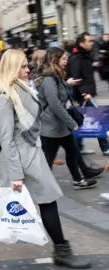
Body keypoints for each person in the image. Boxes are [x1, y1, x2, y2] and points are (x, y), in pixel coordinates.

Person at [0, 49, 91, 269]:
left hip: (31, 153)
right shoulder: (4, 96)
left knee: (7, 202)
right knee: (46, 200)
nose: (28, 69)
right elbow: (7, 140)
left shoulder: (22, 87)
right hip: (20, 158)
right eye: (23, 66)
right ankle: (62, 250)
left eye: (27, 65)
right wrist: (15, 174)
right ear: (13, 68)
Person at [36, 47, 98, 190]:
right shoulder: (49, 80)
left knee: (72, 151)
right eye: (63, 59)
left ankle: (78, 180)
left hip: (61, 126)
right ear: (54, 60)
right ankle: (42, 186)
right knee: (48, 159)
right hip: (51, 127)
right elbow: (55, 105)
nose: (66, 61)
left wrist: (68, 83)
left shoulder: (55, 77)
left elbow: (59, 92)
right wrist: (71, 122)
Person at [68, 32, 109, 155]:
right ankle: (105, 147)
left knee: (82, 121)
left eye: (91, 40)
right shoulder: (76, 57)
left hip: (87, 93)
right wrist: (84, 93)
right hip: (83, 94)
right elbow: (76, 77)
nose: (91, 43)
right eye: (89, 41)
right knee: (97, 119)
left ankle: (79, 147)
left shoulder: (85, 55)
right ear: (81, 43)